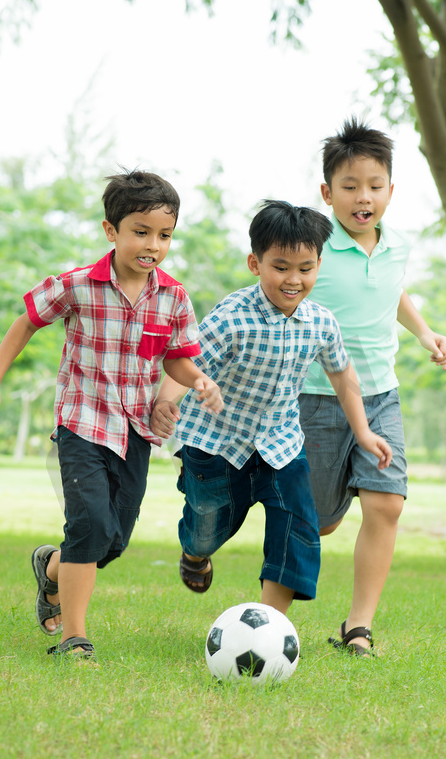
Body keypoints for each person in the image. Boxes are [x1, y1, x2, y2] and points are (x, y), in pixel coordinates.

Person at [0, 170, 223, 660]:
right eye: (141, 231)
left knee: (111, 540)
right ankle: (74, 635)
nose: (153, 244)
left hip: (134, 430)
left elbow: (174, 356)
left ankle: (50, 570)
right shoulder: (79, 286)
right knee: (88, 523)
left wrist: (196, 379)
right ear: (112, 231)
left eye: (165, 235)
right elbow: (27, 321)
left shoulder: (173, 297)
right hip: (82, 422)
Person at [150, 199, 392, 617]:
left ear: (319, 265)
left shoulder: (321, 322)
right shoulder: (232, 317)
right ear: (255, 263)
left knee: (297, 521)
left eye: (305, 268)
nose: (293, 279)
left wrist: (365, 431)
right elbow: (186, 362)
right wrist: (165, 403)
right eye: (280, 267)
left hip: (281, 443)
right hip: (216, 442)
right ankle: (194, 552)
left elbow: (342, 375)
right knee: (209, 525)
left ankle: (269, 624)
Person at [298, 119, 446, 657]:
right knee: (316, 524)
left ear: (390, 189)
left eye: (374, 185)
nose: (363, 197)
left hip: (380, 394)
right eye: (350, 186)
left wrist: (426, 332)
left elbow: (394, 292)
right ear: (327, 193)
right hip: (314, 398)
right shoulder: (313, 246)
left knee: (386, 504)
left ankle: (357, 626)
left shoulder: (396, 247)